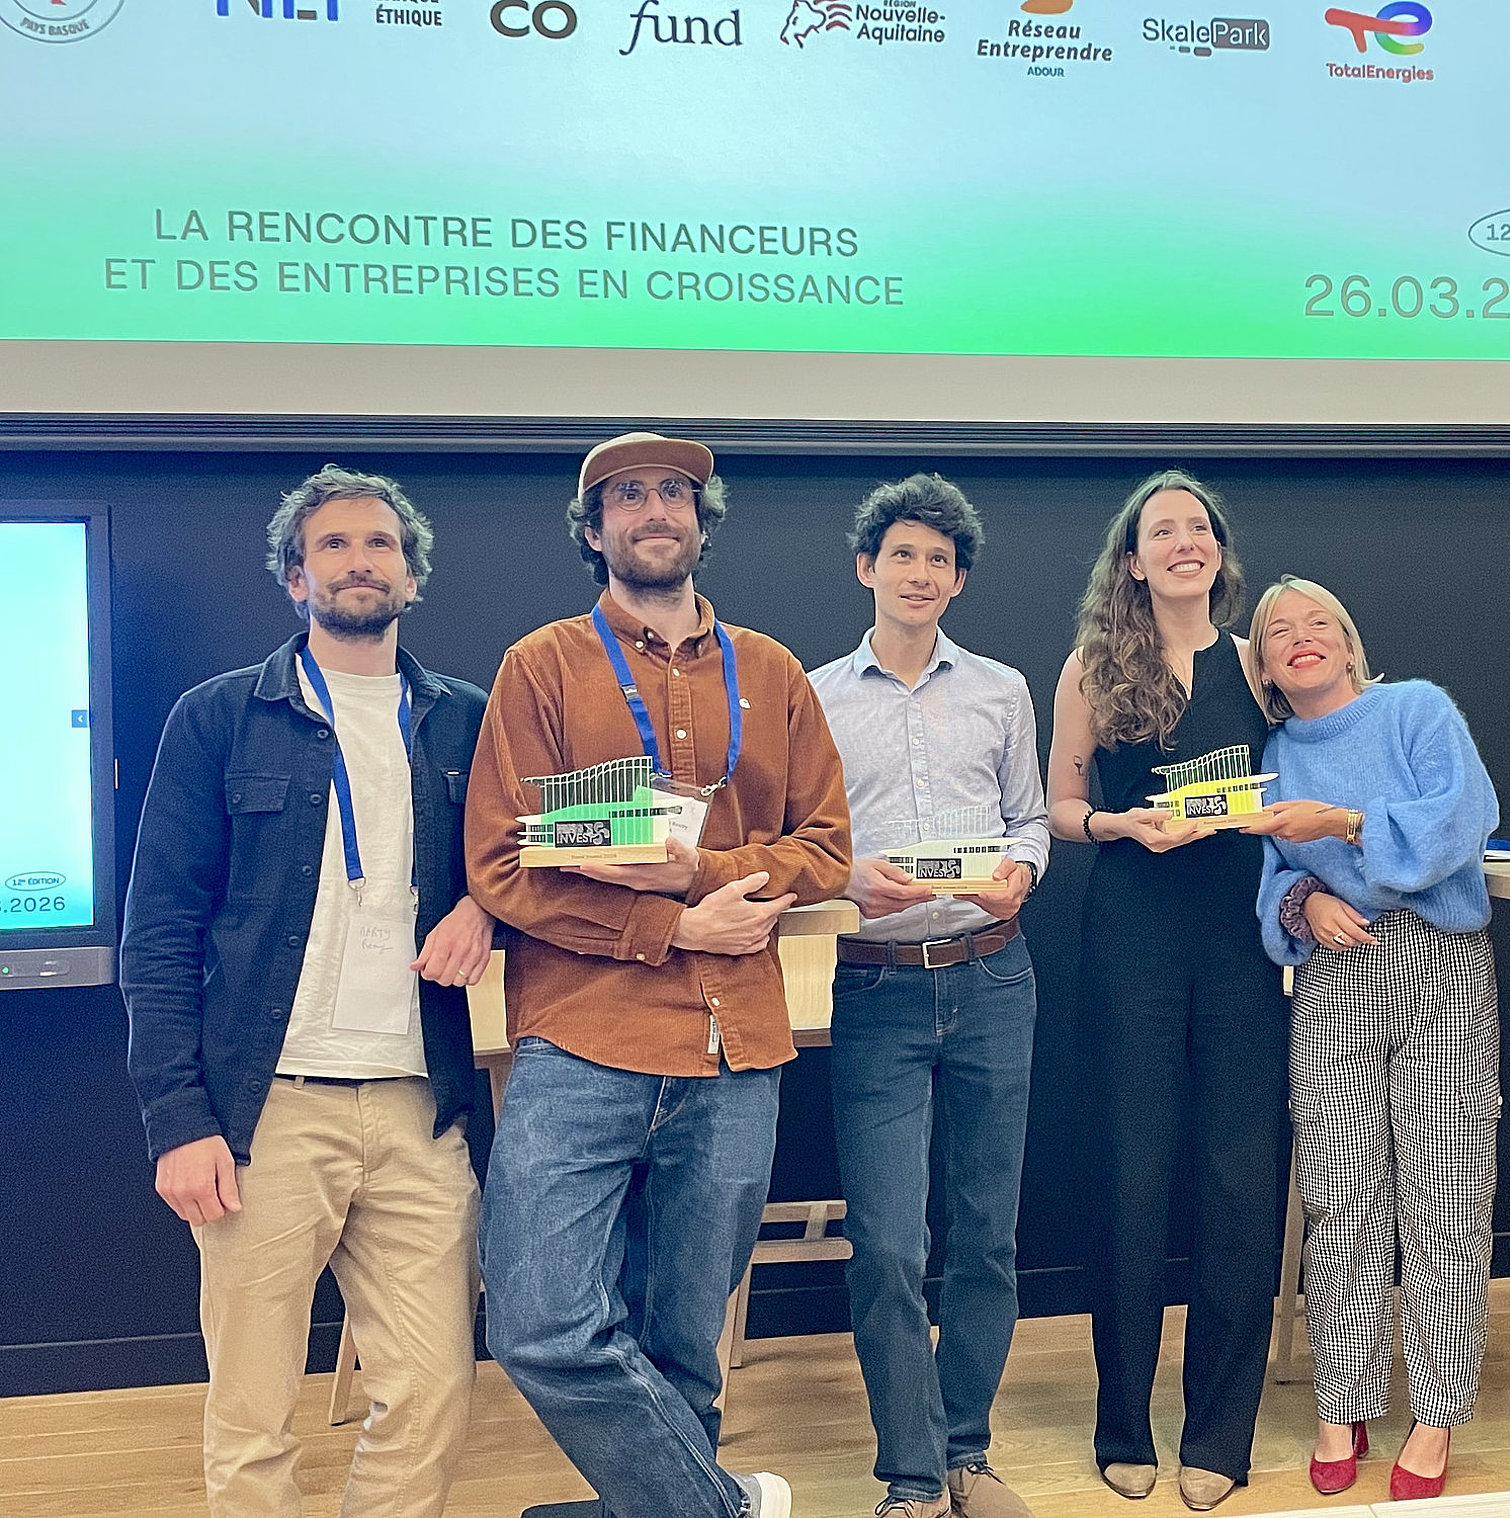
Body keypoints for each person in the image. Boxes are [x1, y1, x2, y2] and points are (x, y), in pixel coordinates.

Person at [464, 433, 853, 1518]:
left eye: (674, 492)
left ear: (699, 520)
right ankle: (728, 1508)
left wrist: (702, 873)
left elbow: (826, 847)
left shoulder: (770, 671)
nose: (654, 509)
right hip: (581, 1039)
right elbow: (501, 864)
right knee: (539, 1322)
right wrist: (673, 927)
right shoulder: (542, 666)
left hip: (736, 1046)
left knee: (685, 1351)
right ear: (594, 531)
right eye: (627, 495)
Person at [122, 465, 494, 1518]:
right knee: (253, 1412)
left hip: (420, 1105)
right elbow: (158, 931)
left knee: (431, 1392)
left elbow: (529, 867)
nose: (359, 561)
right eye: (333, 545)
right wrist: (177, 1119)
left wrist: (486, 909)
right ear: (295, 578)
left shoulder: (468, 721)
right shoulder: (219, 717)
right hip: (267, 1109)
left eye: (380, 544)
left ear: (411, 576)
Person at [1044, 470, 1288, 1512]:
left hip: (1241, 940)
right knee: (1130, 1178)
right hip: (1131, 934)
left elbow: (1308, 785)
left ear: (1218, 553)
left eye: (1200, 527)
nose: (1184, 541)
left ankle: (1221, 1433)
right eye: (1163, 531)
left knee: (1239, 1180)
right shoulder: (1093, 667)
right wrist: (1116, 824)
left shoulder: (1261, 665)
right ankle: (1123, 1423)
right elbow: (1058, 804)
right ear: (1134, 562)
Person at [809, 474, 1051, 1518]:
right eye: (901, 555)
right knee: (889, 1247)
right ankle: (910, 1473)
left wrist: (1021, 872)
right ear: (867, 567)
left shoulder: (1001, 689)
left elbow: (1029, 820)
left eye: (939, 561)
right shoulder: (813, 696)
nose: (920, 573)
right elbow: (798, 845)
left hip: (993, 973)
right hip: (875, 987)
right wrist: (843, 878)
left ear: (957, 582)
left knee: (986, 1234)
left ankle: (965, 1454)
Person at [1244, 576, 1501, 1502]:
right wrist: (1304, 900)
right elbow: (1266, 870)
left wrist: (1345, 825)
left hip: (1440, 963)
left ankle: (1436, 1414)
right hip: (1334, 975)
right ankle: (1341, 1401)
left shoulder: (1416, 710)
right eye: (1279, 631)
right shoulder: (1273, 754)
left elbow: (1464, 821)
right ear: (1265, 667)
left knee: (1447, 1196)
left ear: (1349, 642)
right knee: (1340, 1195)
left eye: (1318, 623)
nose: (1300, 637)